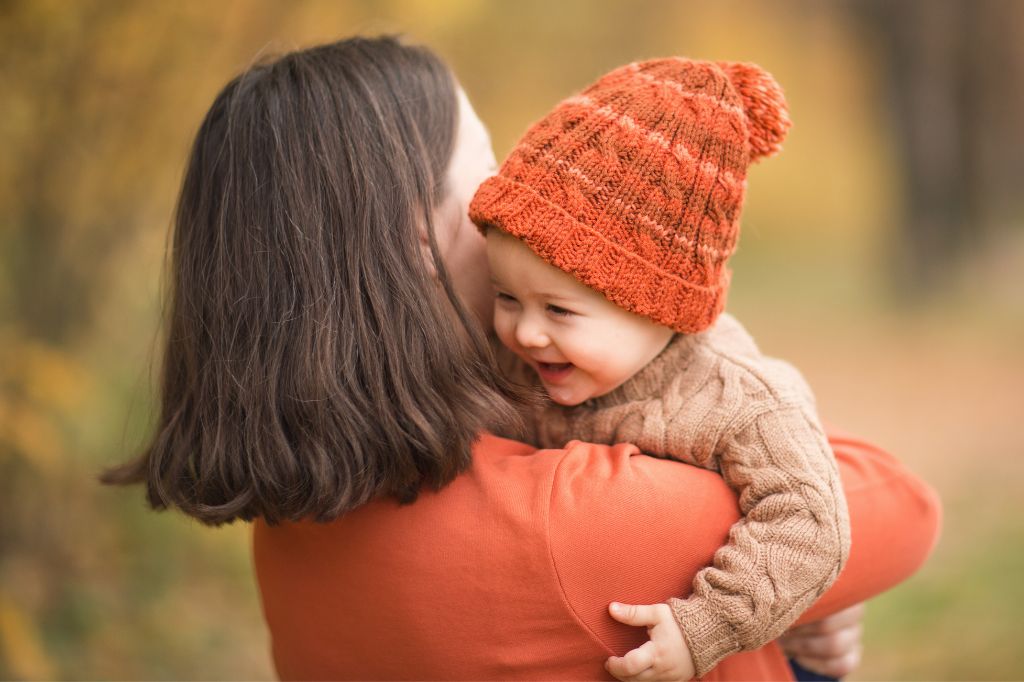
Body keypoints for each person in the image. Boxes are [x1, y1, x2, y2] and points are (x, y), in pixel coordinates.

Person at [104, 36, 941, 680]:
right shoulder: (572, 526)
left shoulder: (292, 509)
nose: (520, 202)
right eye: (486, 176)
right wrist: (795, 592)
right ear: (416, 243)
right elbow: (897, 507)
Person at [470, 58, 849, 679]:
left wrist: (705, 626)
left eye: (559, 310)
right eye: (506, 296)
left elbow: (810, 523)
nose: (526, 332)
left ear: (663, 307)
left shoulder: (739, 398)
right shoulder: (513, 361)